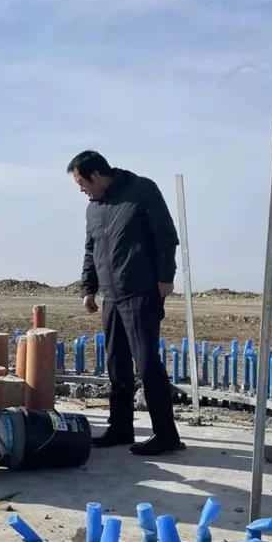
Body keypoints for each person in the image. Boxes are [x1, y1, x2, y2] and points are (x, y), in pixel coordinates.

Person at [69, 150, 184, 455]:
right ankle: (120, 428)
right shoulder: (93, 208)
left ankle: (166, 436)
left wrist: (165, 277)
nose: (81, 190)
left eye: (81, 183)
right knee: (116, 363)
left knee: (146, 363)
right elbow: (91, 250)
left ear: (96, 175)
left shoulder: (141, 190)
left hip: (141, 290)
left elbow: (165, 235)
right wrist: (88, 289)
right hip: (112, 295)